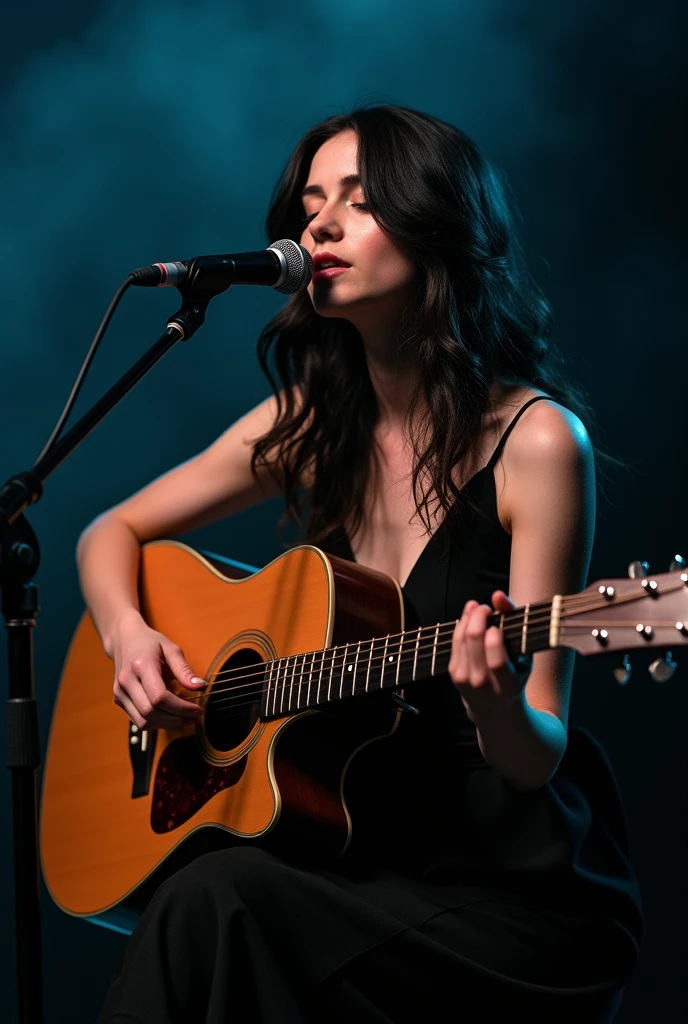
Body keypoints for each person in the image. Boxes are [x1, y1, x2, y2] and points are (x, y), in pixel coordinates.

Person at [79, 105, 643, 1023]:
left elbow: (538, 752)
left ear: (437, 224)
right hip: (359, 856)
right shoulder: (309, 428)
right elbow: (109, 531)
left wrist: (495, 702)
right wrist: (130, 636)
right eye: (310, 203)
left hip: (505, 894)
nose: (319, 226)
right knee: (212, 897)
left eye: (360, 200)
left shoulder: (539, 442)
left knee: (214, 901)